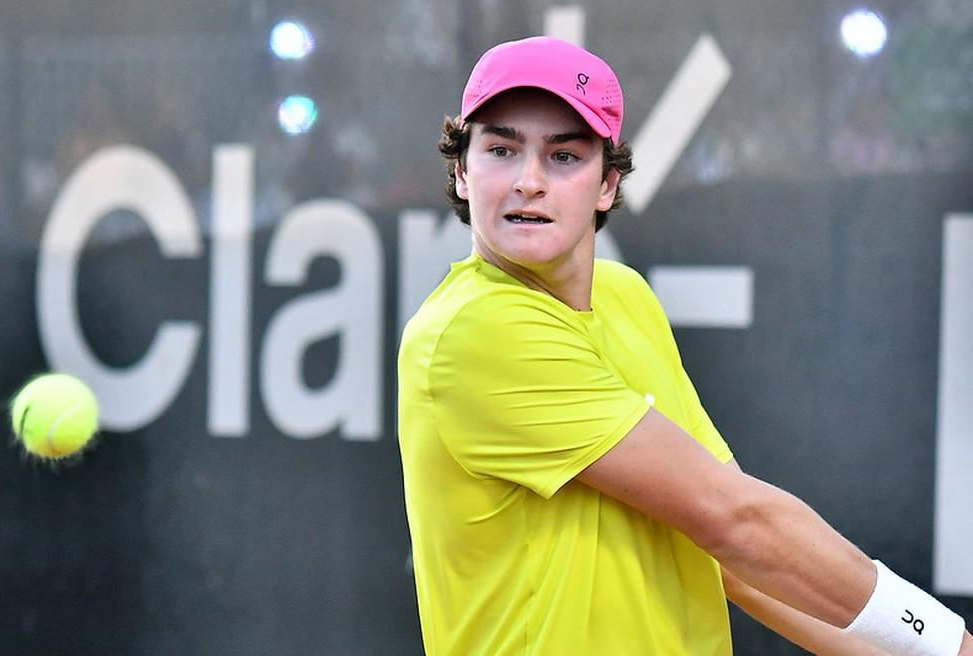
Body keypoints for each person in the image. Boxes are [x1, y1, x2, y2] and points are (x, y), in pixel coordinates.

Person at [397, 36, 971, 656]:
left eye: (564, 157)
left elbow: (726, 553)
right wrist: (942, 642)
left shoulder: (623, 295)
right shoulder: (474, 332)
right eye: (502, 150)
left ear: (607, 186)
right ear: (462, 170)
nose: (529, 181)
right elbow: (736, 519)